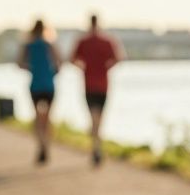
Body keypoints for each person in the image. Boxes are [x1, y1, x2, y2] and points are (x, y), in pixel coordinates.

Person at [70, 14, 125, 166]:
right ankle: (97, 146)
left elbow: (72, 60)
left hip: (88, 84)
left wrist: (83, 67)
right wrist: (107, 67)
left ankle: (96, 146)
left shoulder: (82, 41)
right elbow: (119, 59)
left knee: (93, 118)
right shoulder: (107, 41)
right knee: (99, 118)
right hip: (103, 85)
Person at [18, 19, 62, 165]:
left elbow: (19, 63)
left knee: (37, 117)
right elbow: (59, 62)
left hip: (35, 85)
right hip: (49, 85)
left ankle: (41, 144)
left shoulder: (28, 45)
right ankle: (46, 145)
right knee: (48, 118)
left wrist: (32, 69)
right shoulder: (49, 44)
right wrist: (52, 72)